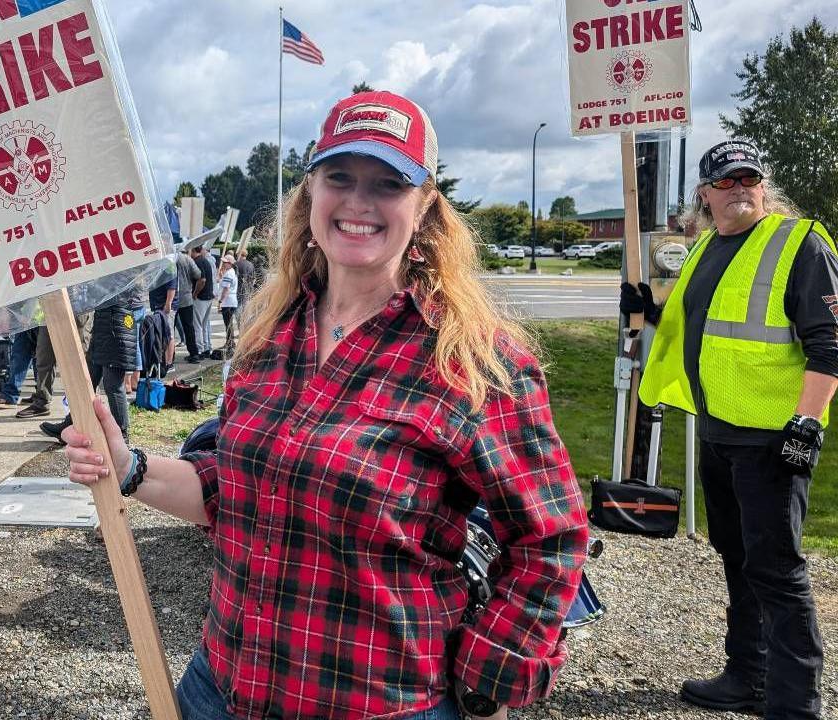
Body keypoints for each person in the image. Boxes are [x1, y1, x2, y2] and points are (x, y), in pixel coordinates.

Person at [63, 90, 588, 719]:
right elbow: (229, 488)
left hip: (376, 702)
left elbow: (549, 539)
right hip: (222, 688)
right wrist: (127, 467)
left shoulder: (472, 361)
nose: (359, 202)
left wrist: (489, 682)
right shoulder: (268, 338)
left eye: (388, 183)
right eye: (340, 176)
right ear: (311, 193)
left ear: (424, 208)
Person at [628, 139, 836, 720]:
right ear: (704, 192)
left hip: (773, 438)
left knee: (776, 570)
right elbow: (694, 318)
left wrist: (807, 422)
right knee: (737, 556)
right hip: (719, 429)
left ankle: (796, 706)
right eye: (725, 180)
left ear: (764, 185)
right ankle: (750, 673)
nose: (739, 187)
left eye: (749, 177)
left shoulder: (799, 243)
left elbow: (831, 342)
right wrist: (646, 307)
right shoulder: (709, 246)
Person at [41, 286, 143, 444]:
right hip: (105, 328)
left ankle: (122, 435)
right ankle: (71, 424)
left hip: (116, 328)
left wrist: (88, 284)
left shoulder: (123, 273)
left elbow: (103, 292)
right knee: (87, 383)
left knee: (113, 386)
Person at [175, 247, 204, 363]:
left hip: (172, 297)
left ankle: (169, 357)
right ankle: (194, 353)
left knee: (170, 329)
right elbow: (198, 275)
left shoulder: (170, 258)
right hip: (186, 297)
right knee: (189, 327)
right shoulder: (188, 259)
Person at [191, 245, 216, 358]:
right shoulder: (205, 260)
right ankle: (206, 347)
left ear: (192, 250)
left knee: (197, 325)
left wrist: (195, 293)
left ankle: (199, 350)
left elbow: (202, 280)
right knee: (204, 324)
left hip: (201, 297)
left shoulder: (197, 262)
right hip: (209, 296)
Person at [216, 253, 239, 357]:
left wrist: (220, 301)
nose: (223, 264)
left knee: (228, 324)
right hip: (231, 300)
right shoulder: (231, 272)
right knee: (229, 324)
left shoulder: (229, 273)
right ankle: (230, 342)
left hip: (228, 301)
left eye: (225, 262)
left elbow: (226, 288)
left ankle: (230, 343)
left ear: (229, 263)